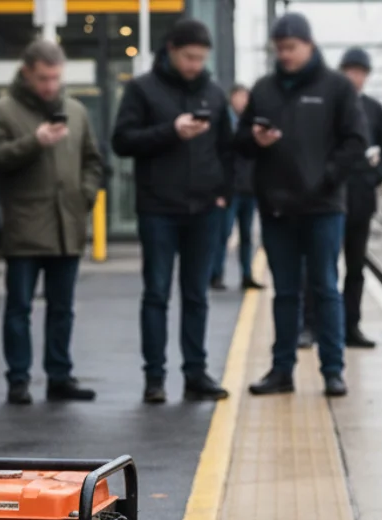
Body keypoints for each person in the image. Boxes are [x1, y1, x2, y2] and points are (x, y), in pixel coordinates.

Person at [236, 13, 367, 398]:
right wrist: (254, 139)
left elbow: (355, 141)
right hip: (277, 207)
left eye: (291, 48)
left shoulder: (336, 88)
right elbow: (240, 140)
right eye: (280, 49)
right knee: (286, 292)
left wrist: (326, 177)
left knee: (326, 287)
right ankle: (281, 370)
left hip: (323, 206)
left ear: (309, 45)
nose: (286, 55)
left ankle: (332, 370)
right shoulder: (264, 89)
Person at [112, 18, 233, 404]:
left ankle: (196, 374)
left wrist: (223, 194)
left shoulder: (214, 94)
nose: (195, 64)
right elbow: (122, 141)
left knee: (197, 294)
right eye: (189, 57)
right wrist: (171, 131)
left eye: (201, 58)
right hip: (159, 208)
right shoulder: (142, 89)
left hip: (204, 210)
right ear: (171, 51)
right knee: (157, 294)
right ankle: (155, 378)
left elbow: (227, 148)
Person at [0, 40, 105, 405]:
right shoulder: (1, 112)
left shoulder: (76, 111)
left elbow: (93, 161)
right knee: (19, 307)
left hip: (67, 224)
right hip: (24, 225)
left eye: (55, 77)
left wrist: (84, 196)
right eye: (43, 78)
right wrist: (34, 142)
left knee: (62, 307)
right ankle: (18, 380)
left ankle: (59, 376)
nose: (50, 86)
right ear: (26, 73)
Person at [335, 47, 382, 348]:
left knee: (356, 267)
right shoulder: (329, 103)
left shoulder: (373, 109)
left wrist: (376, 175)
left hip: (361, 199)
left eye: (360, 72)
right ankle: (316, 325)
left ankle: (351, 326)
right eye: (350, 71)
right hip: (330, 199)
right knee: (323, 267)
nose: (355, 77)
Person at [210, 84, 262, 291]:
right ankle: (216, 274)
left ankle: (247, 275)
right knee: (223, 234)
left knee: (247, 235)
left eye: (245, 98)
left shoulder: (252, 124)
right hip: (229, 189)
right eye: (239, 97)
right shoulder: (225, 123)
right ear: (232, 99)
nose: (243, 102)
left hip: (250, 188)